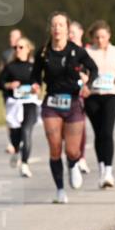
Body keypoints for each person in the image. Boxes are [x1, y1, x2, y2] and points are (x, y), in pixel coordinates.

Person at [32, 11, 99, 203]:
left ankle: (73, 163)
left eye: (61, 25)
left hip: (73, 102)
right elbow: (35, 75)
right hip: (51, 103)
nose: (57, 29)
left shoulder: (77, 51)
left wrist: (88, 85)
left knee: (72, 150)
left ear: (68, 29)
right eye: (54, 25)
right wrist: (35, 85)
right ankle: (60, 190)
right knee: (54, 148)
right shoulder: (43, 52)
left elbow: (93, 69)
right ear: (50, 29)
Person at [84, 21, 115, 188]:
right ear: (93, 38)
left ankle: (109, 171)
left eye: (103, 37)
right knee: (99, 133)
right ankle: (101, 168)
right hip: (93, 96)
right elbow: (82, 71)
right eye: (97, 37)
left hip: (111, 95)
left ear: (109, 36)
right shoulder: (88, 52)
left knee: (107, 132)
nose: (100, 40)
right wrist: (84, 81)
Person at [0, 36, 40, 178]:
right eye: (16, 47)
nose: (18, 50)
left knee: (26, 131)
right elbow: (0, 84)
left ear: (28, 49)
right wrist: (9, 85)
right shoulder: (10, 67)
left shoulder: (34, 67)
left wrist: (36, 87)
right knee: (16, 134)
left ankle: (25, 164)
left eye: (21, 47)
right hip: (14, 104)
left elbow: (38, 83)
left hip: (30, 103)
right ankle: (16, 150)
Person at [68, 20, 91, 174]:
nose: (70, 35)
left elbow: (95, 70)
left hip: (87, 92)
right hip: (69, 93)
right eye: (68, 32)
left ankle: (81, 157)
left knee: (81, 126)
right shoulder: (64, 50)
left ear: (81, 33)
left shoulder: (88, 50)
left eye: (73, 32)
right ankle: (73, 157)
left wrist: (87, 82)